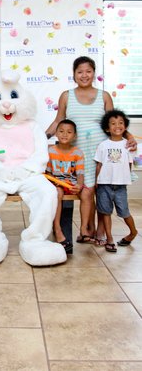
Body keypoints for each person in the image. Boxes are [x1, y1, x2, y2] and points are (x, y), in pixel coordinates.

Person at [46, 56, 137, 245]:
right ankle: (87, 229)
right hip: (77, 154)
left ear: (94, 73)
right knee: (86, 192)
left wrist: (129, 137)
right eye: (80, 72)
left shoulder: (104, 96)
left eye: (88, 71)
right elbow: (58, 121)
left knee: (101, 191)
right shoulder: (66, 95)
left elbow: (114, 122)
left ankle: (100, 232)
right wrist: (41, 138)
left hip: (103, 154)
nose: (84, 75)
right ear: (74, 74)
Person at [94, 109, 138, 253]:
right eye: (113, 123)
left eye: (120, 123)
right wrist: (96, 182)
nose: (117, 126)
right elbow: (99, 165)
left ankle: (133, 232)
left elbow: (130, 165)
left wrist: (125, 178)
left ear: (125, 127)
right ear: (107, 128)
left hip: (120, 186)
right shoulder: (103, 145)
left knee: (124, 212)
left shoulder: (128, 146)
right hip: (104, 185)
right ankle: (110, 239)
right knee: (105, 212)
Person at [46, 119, 84, 254]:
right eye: (61, 131)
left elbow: (80, 174)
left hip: (70, 183)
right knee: (58, 192)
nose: (64, 135)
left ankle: (77, 231)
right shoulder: (51, 151)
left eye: (69, 132)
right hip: (55, 183)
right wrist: (53, 182)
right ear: (56, 133)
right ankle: (57, 228)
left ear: (74, 135)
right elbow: (48, 173)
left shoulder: (77, 152)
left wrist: (79, 185)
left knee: (78, 197)